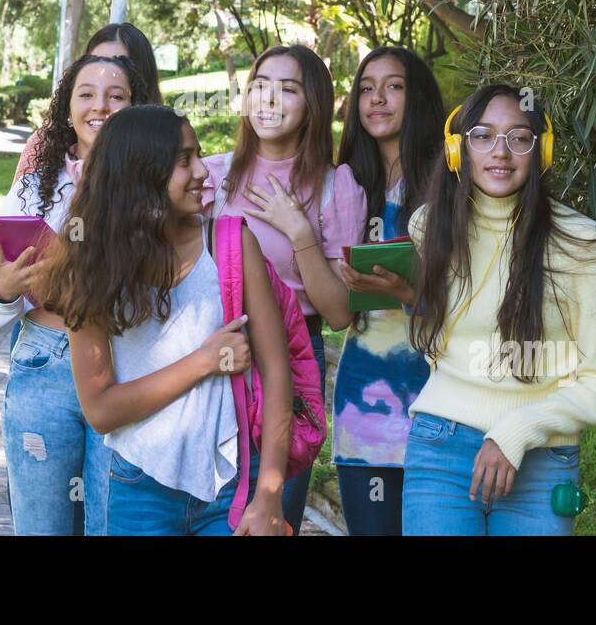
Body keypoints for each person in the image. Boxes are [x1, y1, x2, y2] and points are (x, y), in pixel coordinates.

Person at [47, 105, 292, 535]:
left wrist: (269, 492)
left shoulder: (231, 243)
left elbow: (276, 373)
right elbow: (102, 410)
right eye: (184, 161)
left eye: (199, 154)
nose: (202, 170)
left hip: (230, 484)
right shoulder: (88, 267)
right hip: (137, 486)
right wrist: (204, 360)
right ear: (141, 172)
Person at [402, 83, 596, 535]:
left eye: (519, 138)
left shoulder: (580, 242)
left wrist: (516, 431)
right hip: (441, 447)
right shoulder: (428, 227)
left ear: (540, 151)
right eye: (482, 136)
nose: (500, 152)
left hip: (542, 457)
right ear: (456, 150)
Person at [0, 54, 148, 535]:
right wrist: (6, 288)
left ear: (136, 106)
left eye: (117, 96)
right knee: (42, 526)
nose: (100, 106)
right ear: (67, 108)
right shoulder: (37, 186)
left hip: (126, 365)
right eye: (86, 94)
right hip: (43, 366)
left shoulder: (156, 185)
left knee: (110, 524)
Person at [201, 44, 367, 532]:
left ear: (312, 104)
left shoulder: (337, 187)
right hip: (216, 353)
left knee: (268, 517)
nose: (269, 99)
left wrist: (301, 235)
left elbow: (339, 314)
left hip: (294, 357)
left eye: (288, 89)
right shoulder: (212, 175)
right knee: (211, 508)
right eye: (260, 85)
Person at [332, 46, 443, 535]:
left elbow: (475, 299)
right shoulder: (347, 184)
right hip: (364, 406)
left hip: (440, 405)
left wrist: (406, 291)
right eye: (366, 88)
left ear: (416, 96)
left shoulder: (450, 184)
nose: (377, 98)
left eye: (393, 86)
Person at [12, 22, 163, 182]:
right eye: (96, 61)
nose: (105, 71)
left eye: (121, 63)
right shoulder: (44, 144)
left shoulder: (166, 149)